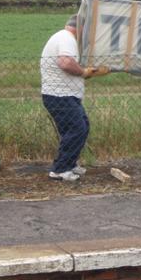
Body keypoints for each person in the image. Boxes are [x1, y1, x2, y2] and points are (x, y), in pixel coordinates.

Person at [40, 14, 108, 181]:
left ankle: (69, 164)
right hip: (60, 95)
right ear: (81, 28)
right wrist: (83, 72)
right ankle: (60, 170)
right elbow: (65, 62)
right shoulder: (67, 38)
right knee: (77, 129)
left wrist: (88, 72)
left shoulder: (63, 37)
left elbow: (68, 62)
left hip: (63, 95)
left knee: (80, 127)